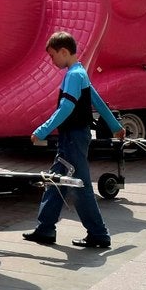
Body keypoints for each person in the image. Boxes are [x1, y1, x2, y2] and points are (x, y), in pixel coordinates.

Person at [22, 31, 124, 249]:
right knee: (55, 182)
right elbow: (97, 100)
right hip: (75, 137)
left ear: (64, 51)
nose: (52, 61)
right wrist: (115, 127)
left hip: (73, 138)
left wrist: (41, 131)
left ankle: (98, 234)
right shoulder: (80, 72)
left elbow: (66, 107)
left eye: (52, 56)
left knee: (79, 186)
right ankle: (45, 228)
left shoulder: (73, 76)